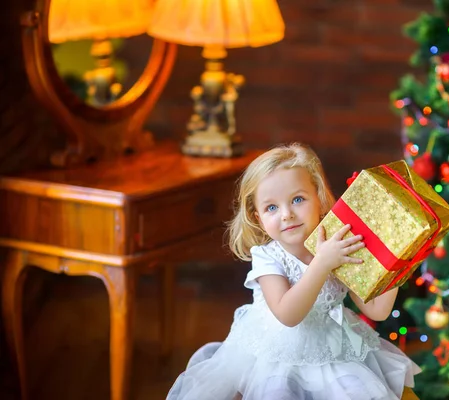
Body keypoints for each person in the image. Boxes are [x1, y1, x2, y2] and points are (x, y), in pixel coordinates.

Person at [167, 143, 421, 400]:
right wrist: (322, 263)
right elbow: (288, 314)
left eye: (297, 199)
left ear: (319, 199)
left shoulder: (336, 245)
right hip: (277, 357)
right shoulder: (268, 257)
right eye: (272, 208)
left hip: (332, 349)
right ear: (258, 218)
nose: (287, 214)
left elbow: (376, 310)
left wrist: (398, 262)